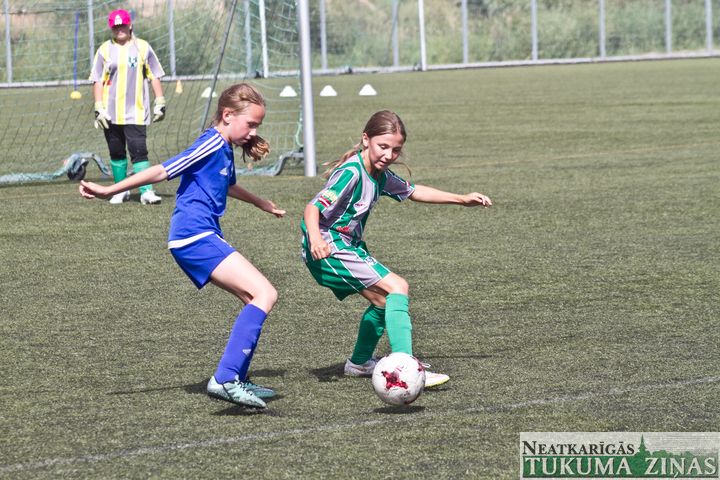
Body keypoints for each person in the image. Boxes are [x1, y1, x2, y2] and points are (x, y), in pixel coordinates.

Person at [80, 83, 285, 409]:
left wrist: (261, 203)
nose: (253, 132)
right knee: (265, 293)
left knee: (253, 298)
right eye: (250, 124)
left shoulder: (224, 147)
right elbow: (162, 171)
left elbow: (228, 185)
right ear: (227, 115)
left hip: (200, 235)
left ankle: (237, 377)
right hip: (194, 236)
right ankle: (225, 379)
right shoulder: (210, 143)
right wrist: (109, 190)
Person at [301, 110, 492, 389]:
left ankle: (359, 363)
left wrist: (462, 199)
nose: (389, 155)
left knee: (382, 302)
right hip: (328, 247)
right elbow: (312, 208)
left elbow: (413, 191)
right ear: (365, 139)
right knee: (397, 287)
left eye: (395, 150)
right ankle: (407, 366)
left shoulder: (379, 174)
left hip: (346, 245)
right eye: (383, 146)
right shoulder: (351, 172)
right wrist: (316, 240)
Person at [90, 8, 166, 205]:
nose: (119, 29)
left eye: (122, 25)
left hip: (136, 112)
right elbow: (97, 80)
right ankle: (120, 190)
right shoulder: (104, 50)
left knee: (139, 151)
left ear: (130, 25)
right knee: (116, 152)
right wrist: (98, 106)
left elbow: (154, 75)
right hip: (110, 113)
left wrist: (160, 101)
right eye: (115, 27)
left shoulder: (143, 47)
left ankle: (146, 191)